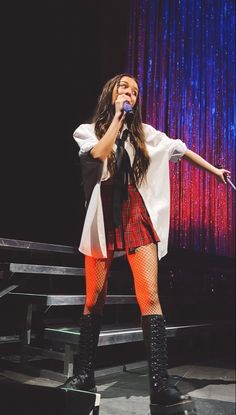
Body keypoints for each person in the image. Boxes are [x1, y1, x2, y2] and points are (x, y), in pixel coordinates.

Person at [61, 73, 230, 415]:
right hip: (103, 213)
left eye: (135, 92)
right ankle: (84, 375)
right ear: (112, 92)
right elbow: (99, 154)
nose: (131, 94)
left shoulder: (146, 135)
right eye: (125, 88)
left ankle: (159, 383)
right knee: (94, 297)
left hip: (135, 210)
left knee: (149, 295)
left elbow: (179, 148)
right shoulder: (87, 130)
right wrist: (118, 119)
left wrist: (215, 171)